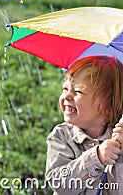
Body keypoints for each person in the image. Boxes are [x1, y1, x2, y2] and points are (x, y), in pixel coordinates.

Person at [45, 55, 123, 194]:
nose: (67, 96)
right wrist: (96, 158)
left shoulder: (118, 139)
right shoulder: (62, 136)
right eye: (65, 89)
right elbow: (59, 183)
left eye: (78, 92)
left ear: (106, 106)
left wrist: (119, 154)